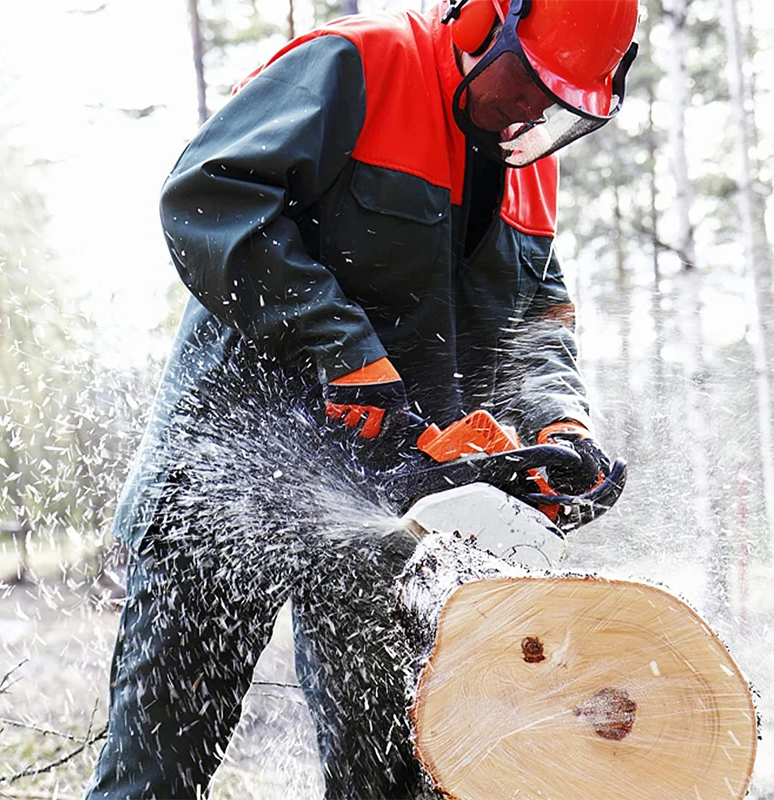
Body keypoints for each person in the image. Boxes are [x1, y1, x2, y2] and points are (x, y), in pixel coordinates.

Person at [85, 0, 638, 797]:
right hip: (230, 475)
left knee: (387, 775)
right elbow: (210, 198)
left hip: (391, 503)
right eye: (527, 80)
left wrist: (561, 422)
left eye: (560, 101)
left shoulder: (527, 160)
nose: (533, 109)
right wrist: (342, 351)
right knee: (156, 773)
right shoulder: (358, 64)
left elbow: (536, 312)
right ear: (484, 23)